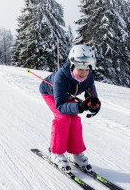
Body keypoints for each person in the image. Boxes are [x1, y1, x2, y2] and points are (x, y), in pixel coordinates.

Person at [39, 44, 101, 173]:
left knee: (75, 120)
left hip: (67, 95)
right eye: (80, 69)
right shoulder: (60, 77)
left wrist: (94, 105)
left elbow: (91, 96)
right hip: (50, 94)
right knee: (63, 118)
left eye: (87, 69)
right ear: (72, 65)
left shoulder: (88, 77)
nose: (83, 73)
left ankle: (76, 153)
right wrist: (79, 106)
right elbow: (60, 106)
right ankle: (55, 152)